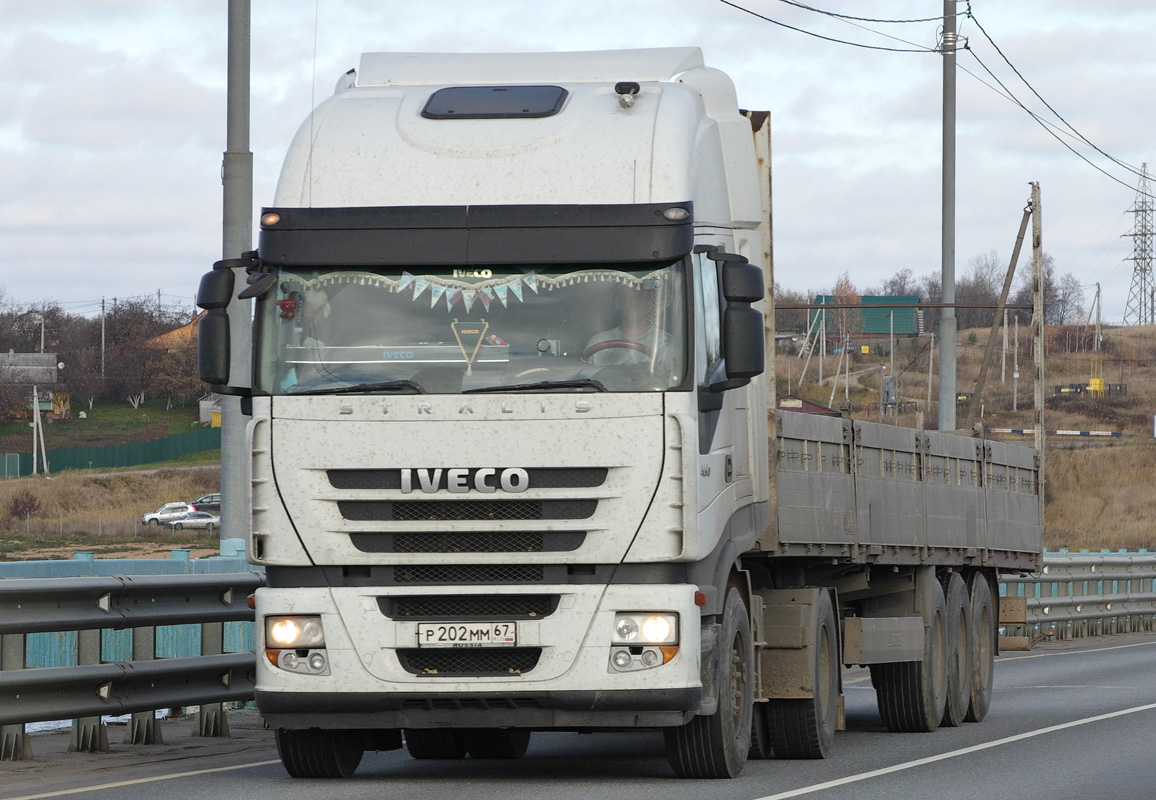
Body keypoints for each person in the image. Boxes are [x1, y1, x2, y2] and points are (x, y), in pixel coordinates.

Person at [582, 284, 673, 370]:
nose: (632, 302)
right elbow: (584, 378)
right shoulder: (598, 342)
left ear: (649, 304)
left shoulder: (667, 343)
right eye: (626, 296)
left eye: (639, 297)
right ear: (617, 303)